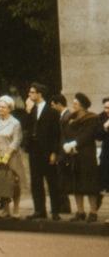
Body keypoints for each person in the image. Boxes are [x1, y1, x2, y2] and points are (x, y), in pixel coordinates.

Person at [60, 92, 100, 223]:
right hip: (73, 155)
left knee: (89, 185)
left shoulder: (92, 118)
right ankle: (80, 211)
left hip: (87, 155)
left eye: (76, 104)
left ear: (82, 105)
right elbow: (65, 132)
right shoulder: (70, 119)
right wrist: (66, 143)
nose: (73, 106)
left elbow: (88, 135)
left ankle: (93, 212)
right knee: (76, 185)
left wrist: (75, 142)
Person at [25, 82, 63, 220]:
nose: (29, 95)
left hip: (47, 150)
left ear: (39, 94)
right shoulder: (32, 110)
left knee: (52, 181)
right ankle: (39, 209)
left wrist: (54, 152)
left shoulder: (51, 111)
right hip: (34, 149)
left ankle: (55, 211)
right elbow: (28, 128)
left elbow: (56, 134)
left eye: (32, 92)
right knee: (36, 181)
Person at [0, 95, 26, 219]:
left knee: (14, 183)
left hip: (11, 156)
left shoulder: (15, 123)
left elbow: (17, 139)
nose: (0, 109)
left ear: (10, 108)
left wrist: (8, 154)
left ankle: (16, 209)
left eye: (3, 107)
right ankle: (5, 209)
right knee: (2, 183)